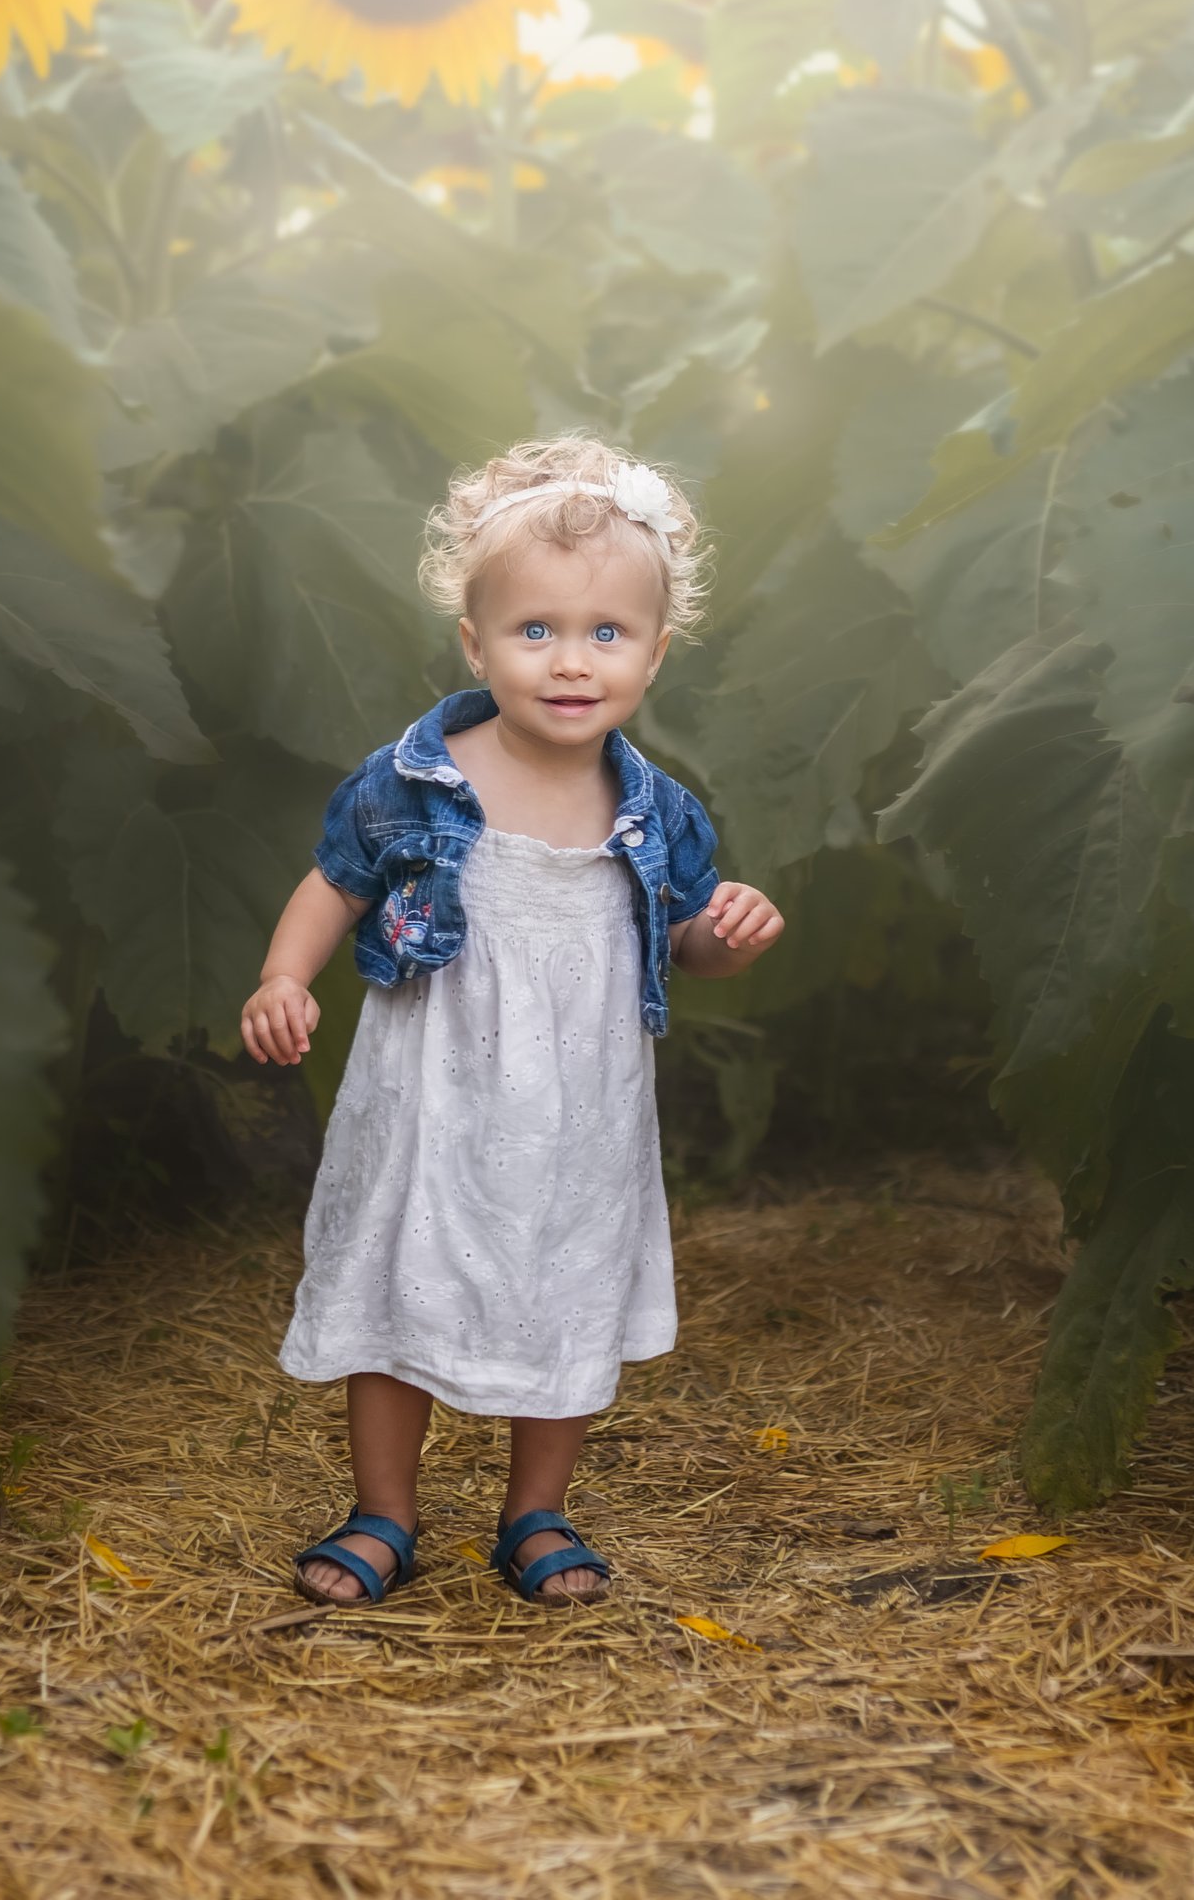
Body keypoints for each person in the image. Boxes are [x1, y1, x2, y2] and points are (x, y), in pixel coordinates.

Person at [240, 433, 784, 1610]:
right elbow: (334, 879)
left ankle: (536, 1508)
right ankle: (384, 1510)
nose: (570, 661)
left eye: (606, 632)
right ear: (475, 641)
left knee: (569, 1273)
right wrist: (287, 976)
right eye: (534, 630)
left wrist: (723, 937)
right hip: (433, 1085)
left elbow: (686, 944)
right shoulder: (417, 781)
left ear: (654, 649)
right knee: (401, 1272)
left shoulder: (657, 812)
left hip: (581, 1103)